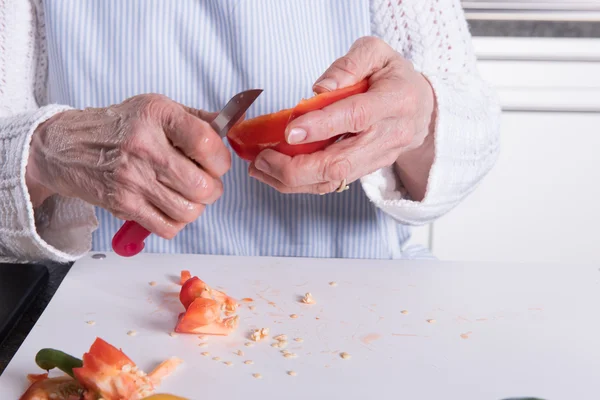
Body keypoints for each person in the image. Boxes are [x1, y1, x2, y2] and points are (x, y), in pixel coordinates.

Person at [0, 0, 500, 263]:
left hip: (358, 291)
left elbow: (474, 135)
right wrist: (44, 150)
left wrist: (422, 116)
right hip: (106, 300)